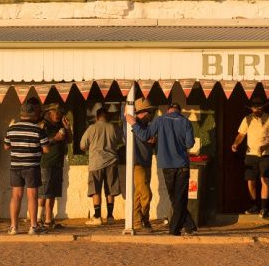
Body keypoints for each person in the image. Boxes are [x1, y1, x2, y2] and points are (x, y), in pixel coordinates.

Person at [126, 102, 197, 236]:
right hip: (182, 165)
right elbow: (189, 143)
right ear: (179, 111)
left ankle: (178, 229)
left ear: (168, 110)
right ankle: (186, 227)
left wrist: (133, 123)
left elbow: (145, 135)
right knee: (180, 198)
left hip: (167, 165)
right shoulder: (186, 122)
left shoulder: (160, 120)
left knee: (174, 198)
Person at [231, 96, 269, 219]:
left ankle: (264, 208)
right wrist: (235, 143)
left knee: (264, 179)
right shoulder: (247, 119)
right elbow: (241, 134)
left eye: (258, 107)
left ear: (262, 108)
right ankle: (254, 205)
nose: (256, 110)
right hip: (250, 154)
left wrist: (267, 145)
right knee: (251, 181)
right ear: (252, 108)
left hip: (266, 154)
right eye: (254, 108)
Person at [3, 101, 49, 235]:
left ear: (21, 114)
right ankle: (33, 227)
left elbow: (6, 146)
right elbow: (46, 149)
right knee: (32, 196)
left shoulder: (12, 128)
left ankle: (13, 227)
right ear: (33, 114)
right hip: (32, 167)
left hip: (15, 166)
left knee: (16, 196)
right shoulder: (38, 129)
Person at [80, 107, 123, 226]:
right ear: (107, 116)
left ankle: (97, 216)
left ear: (97, 117)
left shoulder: (92, 128)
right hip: (111, 162)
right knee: (110, 189)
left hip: (96, 162)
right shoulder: (114, 127)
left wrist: (91, 148)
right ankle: (110, 216)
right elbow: (121, 140)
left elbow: (82, 145)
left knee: (96, 190)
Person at [38, 103, 70, 230]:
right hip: (46, 162)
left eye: (60, 112)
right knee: (44, 192)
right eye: (57, 112)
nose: (59, 114)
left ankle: (47, 220)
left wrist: (68, 129)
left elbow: (70, 140)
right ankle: (41, 219)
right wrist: (55, 138)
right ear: (49, 112)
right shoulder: (43, 125)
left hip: (57, 162)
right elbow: (39, 143)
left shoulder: (60, 124)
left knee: (52, 192)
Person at [132, 98, 157, 231]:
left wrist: (154, 140)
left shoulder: (147, 126)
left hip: (147, 161)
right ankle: (142, 219)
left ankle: (140, 221)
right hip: (138, 163)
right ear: (142, 112)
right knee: (147, 194)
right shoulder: (133, 124)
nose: (150, 114)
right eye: (148, 112)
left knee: (139, 194)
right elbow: (142, 137)